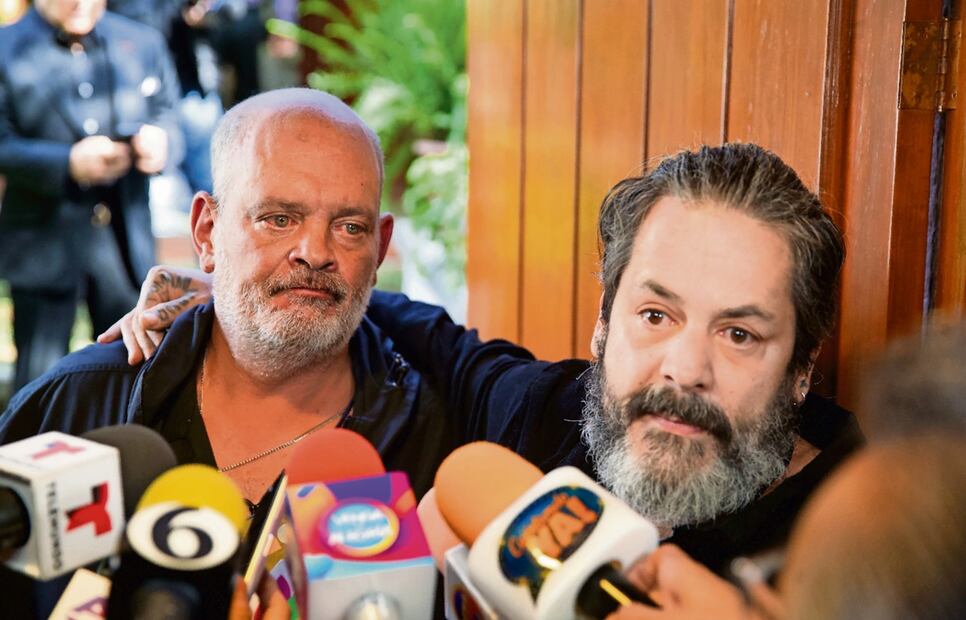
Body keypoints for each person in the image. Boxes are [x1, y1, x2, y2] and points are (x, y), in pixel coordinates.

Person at [99, 143, 863, 571]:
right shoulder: (552, 416)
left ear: (802, 368)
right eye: (656, 316)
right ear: (603, 325)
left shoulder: (867, 540)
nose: (684, 369)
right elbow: (429, 336)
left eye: (739, 334)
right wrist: (247, 286)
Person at [0, 88, 463, 505]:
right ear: (207, 232)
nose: (315, 253)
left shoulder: (434, 435)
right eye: (279, 219)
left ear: (380, 248)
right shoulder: (82, 405)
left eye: (350, 228)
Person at [0, 0, 182, 389]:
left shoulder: (142, 41)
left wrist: (161, 144)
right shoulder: (6, 48)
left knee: (132, 379)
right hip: (44, 240)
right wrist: (67, 163)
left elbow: (168, 114)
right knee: (38, 382)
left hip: (123, 241)